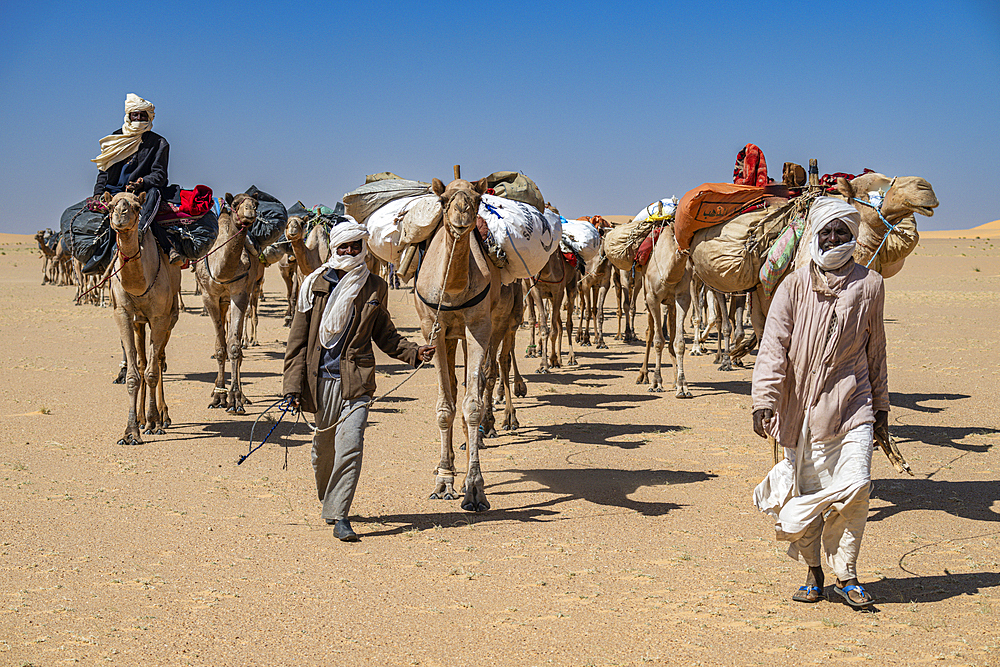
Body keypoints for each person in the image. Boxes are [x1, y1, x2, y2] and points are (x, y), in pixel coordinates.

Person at [751, 197, 889, 608]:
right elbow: (773, 345)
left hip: (853, 403)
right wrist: (765, 399)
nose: (833, 238)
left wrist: (881, 406)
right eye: (826, 231)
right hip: (800, 408)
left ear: (853, 235)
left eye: (841, 231)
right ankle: (814, 573)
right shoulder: (792, 285)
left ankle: (847, 574)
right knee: (805, 489)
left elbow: (876, 349)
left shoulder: (871, 284)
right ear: (815, 235)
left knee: (857, 486)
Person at [282, 220, 434, 542]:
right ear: (335, 248)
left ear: (363, 247)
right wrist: (292, 388)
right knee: (323, 450)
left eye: (356, 246)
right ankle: (329, 499)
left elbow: (385, 334)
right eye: (344, 247)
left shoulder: (375, 287)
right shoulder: (314, 285)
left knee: (350, 445)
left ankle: (340, 515)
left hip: (357, 381)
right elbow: (296, 343)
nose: (351, 252)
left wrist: (414, 352)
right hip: (321, 381)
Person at [93, 93, 183, 265]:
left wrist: (143, 182)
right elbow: (104, 170)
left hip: (143, 192)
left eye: (143, 115)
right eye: (136, 115)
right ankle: (98, 259)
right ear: (129, 116)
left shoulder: (159, 143)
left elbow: (160, 174)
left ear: (149, 117)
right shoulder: (115, 139)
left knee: (154, 194)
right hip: (115, 191)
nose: (139, 118)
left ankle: (143, 230)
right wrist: (97, 193)